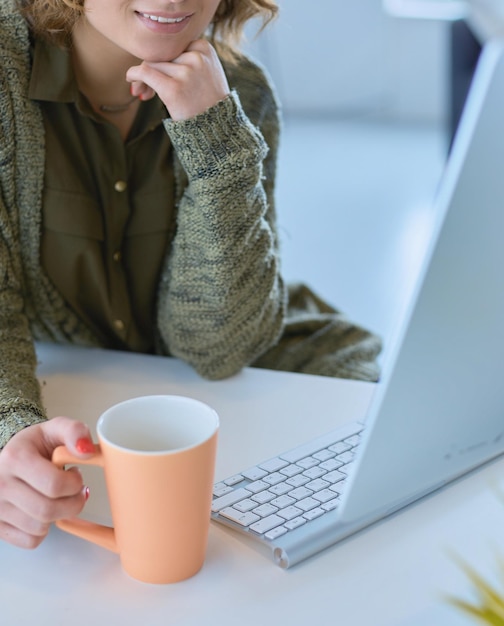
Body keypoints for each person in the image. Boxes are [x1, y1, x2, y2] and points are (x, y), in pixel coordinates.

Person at [0, 0, 381, 550]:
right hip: (71, 389)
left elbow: (216, 349)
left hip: (221, 377)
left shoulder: (241, 93)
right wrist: (11, 431)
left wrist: (214, 141)